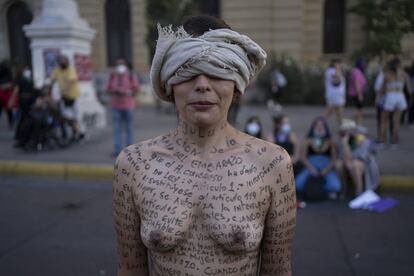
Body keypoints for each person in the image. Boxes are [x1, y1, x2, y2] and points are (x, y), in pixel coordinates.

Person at [113, 15, 296, 276]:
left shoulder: (272, 164)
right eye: (187, 71)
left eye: (217, 70)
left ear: (237, 83)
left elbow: (277, 271)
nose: (202, 85)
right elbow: (130, 271)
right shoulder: (133, 165)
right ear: (169, 82)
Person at [295, 117, 341, 197]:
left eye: (322, 126)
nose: (319, 127)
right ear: (313, 127)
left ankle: (321, 191)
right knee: (298, 184)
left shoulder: (330, 141)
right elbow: (303, 156)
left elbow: (334, 158)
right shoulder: (308, 140)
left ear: (325, 128)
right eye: (317, 126)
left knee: (335, 186)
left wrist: (327, 169)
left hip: (326, 164)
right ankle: (311, 190)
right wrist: (311, 168)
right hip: (311, 163)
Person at [336, 119, 379, 197]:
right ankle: (343, 187)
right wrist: (345, 144)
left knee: (355, 164)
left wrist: (345, 145)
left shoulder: (362, 139)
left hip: (364, 163)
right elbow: (342, 156)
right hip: (349, 161)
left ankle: (359, 190)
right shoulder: (343, 140)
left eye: (348, 130)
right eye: (344, 130)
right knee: (338, 165)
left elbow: (360, 157)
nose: (346, 133)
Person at [106, 58, 139, 156]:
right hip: (116, 106)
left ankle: (130, 150)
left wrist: (127, 92)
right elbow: (108, 89)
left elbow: (136, 89)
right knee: (117, 129)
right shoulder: (112, 76)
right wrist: (115, 91)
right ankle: (117, 150)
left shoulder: (130, 75)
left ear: (125, 65)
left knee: (129, 128)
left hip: (128, 105)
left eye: (121, 64)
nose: (120, 66)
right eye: (118, 64)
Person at [378, 58, 411, 147]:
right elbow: (409, 89)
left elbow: (383, 89)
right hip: (400, 96)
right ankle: (394, 142)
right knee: (396, 121)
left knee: (383, 121)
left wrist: (379, 99)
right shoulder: (404, 75)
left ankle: (382, 141)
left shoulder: (387, 74)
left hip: (390, 96)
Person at [49, 54, 83, 140]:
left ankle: (79, 132)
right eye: (60, 61)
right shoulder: (57, 70)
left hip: (74, 97)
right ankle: (76, 130)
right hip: (64, 98)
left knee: (76, 116)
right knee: (67, 115)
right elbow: (52, 80)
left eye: (63, 61)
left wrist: (65, 90)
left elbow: (71, 81)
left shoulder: (70, 70)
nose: (61, 62)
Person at [10, 65, 38, 147]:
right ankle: (21, 138)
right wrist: (12, 100)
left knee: (28, 118)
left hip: (30, 101)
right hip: (24, 102)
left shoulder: (30, 79)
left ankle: (27, 137)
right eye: (26, 70)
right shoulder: (20, 80)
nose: (27, 71)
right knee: (24, 119)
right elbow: (16, 91)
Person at [324, 58, 346, 125]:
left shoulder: (335, 70)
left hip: (338, 95)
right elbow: (336, 76)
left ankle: (342, 127)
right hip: (334, 95)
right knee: (330, 111)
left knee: (339, 112)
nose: (340, 65)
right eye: (338, 63)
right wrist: (337, 69)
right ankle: (320, 124)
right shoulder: (330, 71)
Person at [348, 58, 367, 125]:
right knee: (360, 110)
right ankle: (356, 124)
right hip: (357, 93)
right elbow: (357, 83)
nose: (364, 64)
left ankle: (355, 124)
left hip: (357, 93)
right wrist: (359, 94)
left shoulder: (356, 71)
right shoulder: (357, 71)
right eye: (363, 63)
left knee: (359, 110)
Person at [0, 60, 15, 129]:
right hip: (7, 91)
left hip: (1, 91)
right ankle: (11, 122)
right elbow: (12, 81)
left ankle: (11, 122)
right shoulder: (9, 73)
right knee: (9, 109)